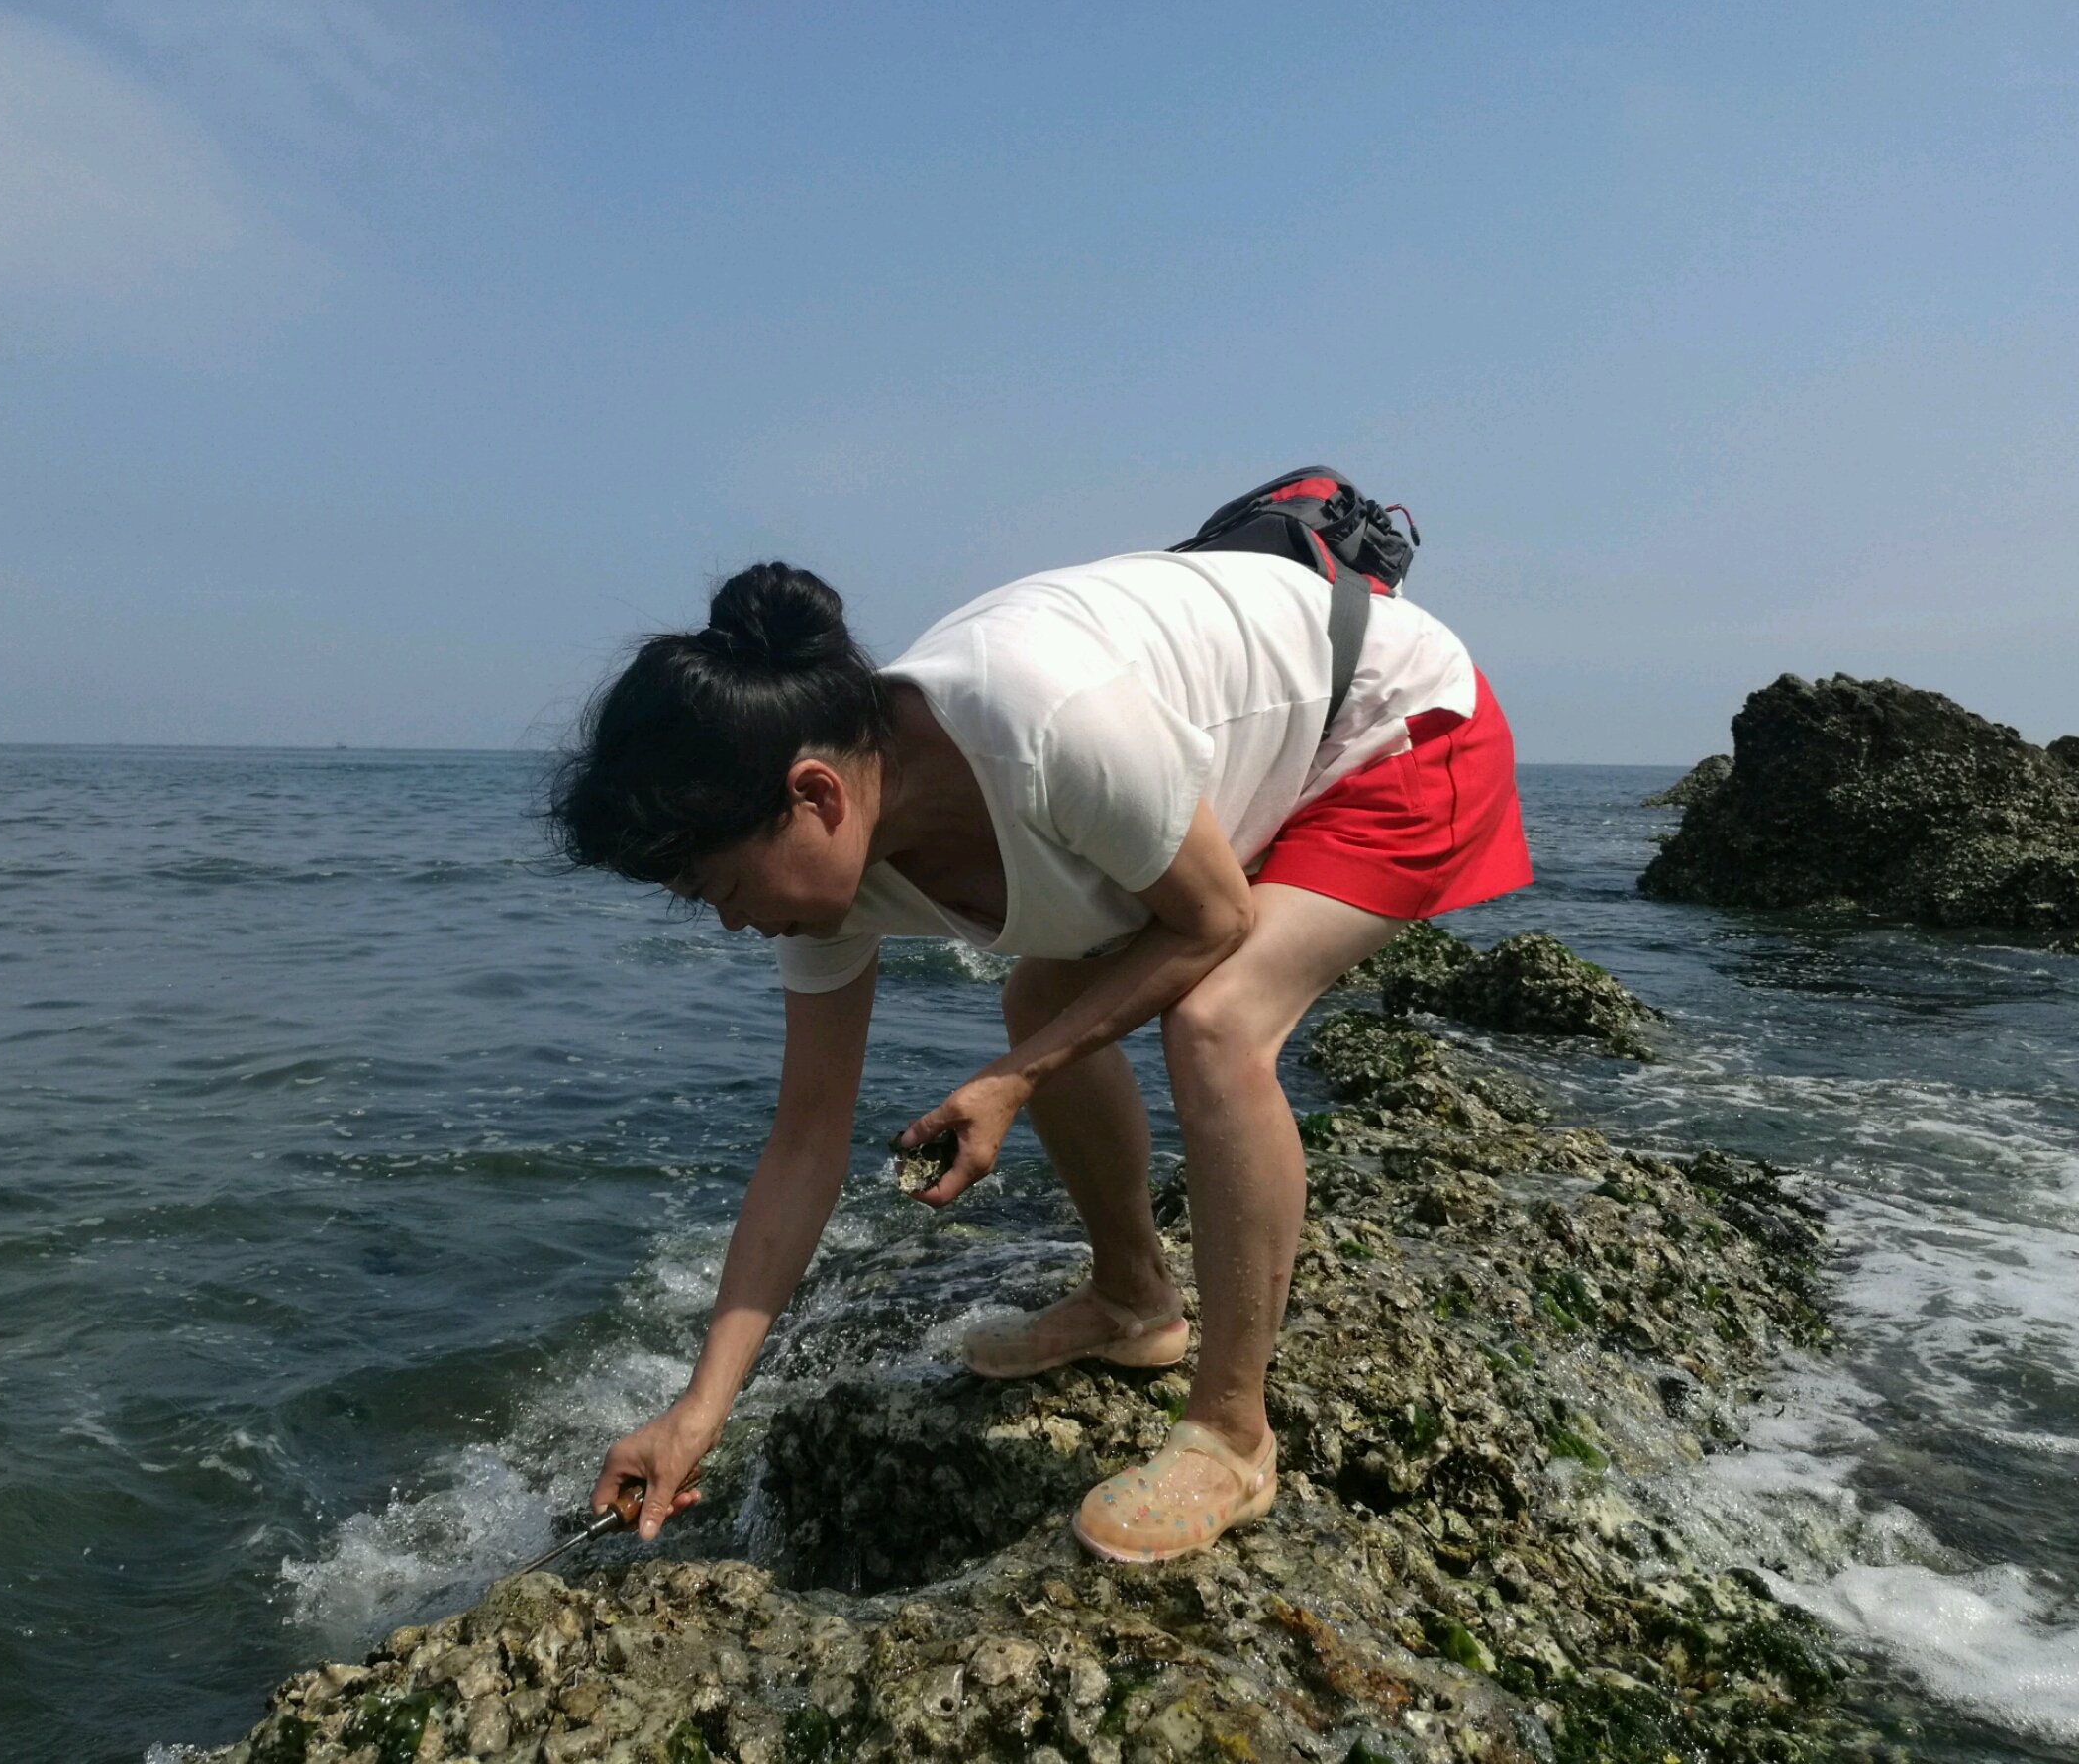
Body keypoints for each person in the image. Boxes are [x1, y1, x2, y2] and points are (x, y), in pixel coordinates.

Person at [547, 542, 1531, 1564]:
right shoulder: (827, 875)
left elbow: (1212, 923)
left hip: (1390, 724)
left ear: (816, 797)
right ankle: (1134, 1299)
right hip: (1230, 761)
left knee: (1217, 1024)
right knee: (1043, 996)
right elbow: (805, 1140)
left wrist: (1012, 1083)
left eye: (723, 890)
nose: (731, 924)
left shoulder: (1043, 720)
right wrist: (699, 1409)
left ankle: (1233, 1437)